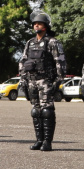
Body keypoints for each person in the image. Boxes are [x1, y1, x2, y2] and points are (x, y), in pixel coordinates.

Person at [18, 11, 66, 152]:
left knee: (47, 111)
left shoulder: (52, 42)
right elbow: (23, 61)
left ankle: (47, 142)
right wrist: (23, 79)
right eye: (34, 24)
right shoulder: (30, 43)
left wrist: (57, 81)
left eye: (39, 23)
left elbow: (60, 62)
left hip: (46, 81)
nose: (36, 25)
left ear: (45, 26)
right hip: (32, 81)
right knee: (36, 111)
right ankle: (39, 140)